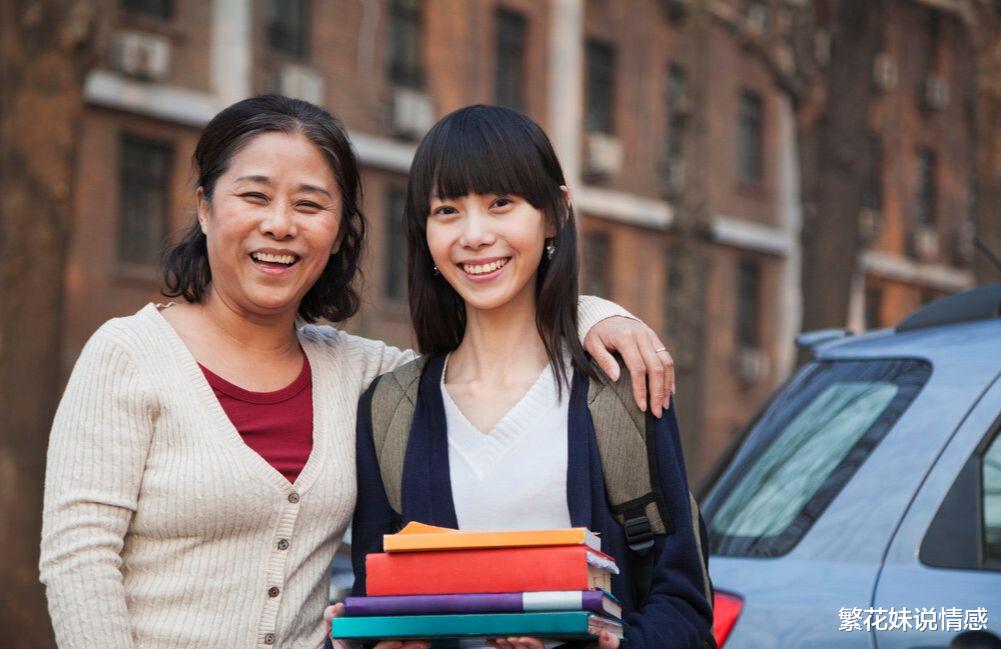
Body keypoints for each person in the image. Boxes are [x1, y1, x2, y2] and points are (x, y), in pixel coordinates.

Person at [39, 94, 678, 649]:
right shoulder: (128, 355)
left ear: (341, 231)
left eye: (310, 204)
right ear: (205, 207)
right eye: (254, 196)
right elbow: (79, 563)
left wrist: (591, 313)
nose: (280, 224)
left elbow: (492, 352)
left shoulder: (362, 375)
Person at [348, 105, 713, 649]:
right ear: (423, 232)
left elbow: (684, 604)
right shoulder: (389, 411)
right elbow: (380, 601)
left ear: (554, 214)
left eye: (501, 204)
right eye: (447, 210)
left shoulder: (620, 386)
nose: (474, 235)